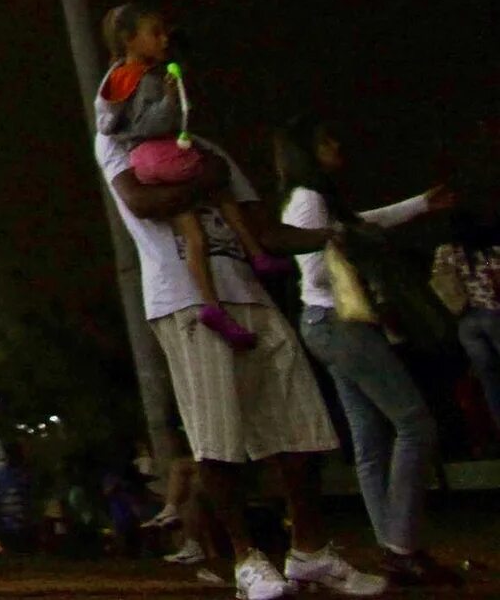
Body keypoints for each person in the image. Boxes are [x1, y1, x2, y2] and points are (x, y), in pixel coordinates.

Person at [98, 75, 384, 599]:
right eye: (155, 88)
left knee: (303, 429)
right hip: (186, 301)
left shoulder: (210, 151)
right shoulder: (117, 144)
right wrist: (203, 182)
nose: (171, 96)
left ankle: (311, 553)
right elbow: (142, 202)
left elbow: (266, 230)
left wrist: (334, 234)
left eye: (173, 89)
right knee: (217, 440)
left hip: (251, 294)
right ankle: (246, 561)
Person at [275, 119, 459, 587]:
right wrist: (347, 245)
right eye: (326, 140)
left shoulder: (320, 201)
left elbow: (362, 221)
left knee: (371, 441)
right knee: (415, 424)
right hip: (337, 323)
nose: (337, 145)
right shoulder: (307, 200)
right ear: (308, 154)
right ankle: (402, 547)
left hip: (331, 325)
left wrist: (418, 205)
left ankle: (394, 546)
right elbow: (315, 271)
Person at [97, 6, 285, 350]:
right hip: (161, 153)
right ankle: (256, 252)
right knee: (218, 182)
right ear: (128, 39)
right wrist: (171, 97)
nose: (163, 39)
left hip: (147, 164)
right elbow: (157, 123)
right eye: (155, 33)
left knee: (193, 237)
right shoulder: (139, 79)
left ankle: (212, 307)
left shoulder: (115, 86)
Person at [434, 213, 500, 433]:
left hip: (465, 321)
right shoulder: (488, 250)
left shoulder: (445, 252)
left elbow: (438, 281)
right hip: (493, 313)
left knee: (489, 380)